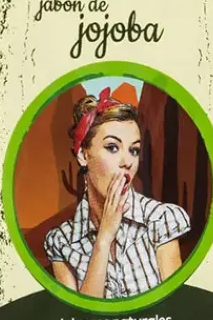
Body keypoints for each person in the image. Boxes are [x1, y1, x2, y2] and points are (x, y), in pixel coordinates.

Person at [44, 87, 191, 299]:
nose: (127, 162)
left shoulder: (160, 219)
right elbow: (79, 316)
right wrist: (104, 239)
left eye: (134, 150)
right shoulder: (61, 242)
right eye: (112, 147)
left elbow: (175, 308)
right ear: (84, 155)